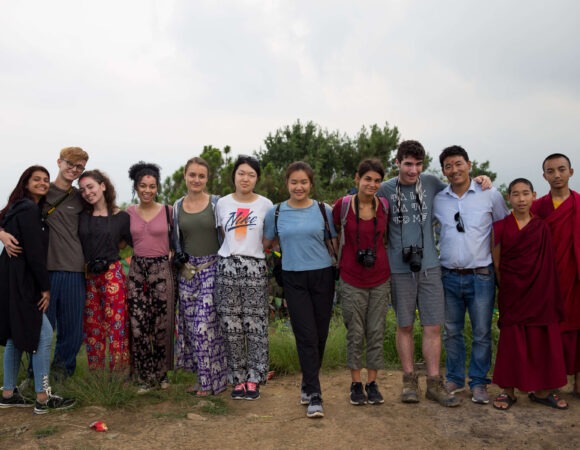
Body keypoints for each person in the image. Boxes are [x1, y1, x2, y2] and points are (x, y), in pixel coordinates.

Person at [377, 140, 491, 407]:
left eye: (418, 164)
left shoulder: (430, 183)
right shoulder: (385, 189)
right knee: (404, 325)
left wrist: (481, 179)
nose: (413, 170)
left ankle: (434, 383)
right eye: (408, 164)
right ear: (397, 163)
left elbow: (458, 188)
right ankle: (408, 382)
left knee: (433, 327)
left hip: (430, 266)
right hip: (399, 269)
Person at [0, 147, 89, 379]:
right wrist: (1, 234)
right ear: (59, 162)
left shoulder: (81, 197)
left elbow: (102, 213)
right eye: (70, 163)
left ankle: (63, 374)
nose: (74, 169)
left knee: (72, 330)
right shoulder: (38, 191)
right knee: (39, 329)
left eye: (79, 167)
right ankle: (36, 377)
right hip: (41, 273)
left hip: (73, 268)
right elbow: (6, 213)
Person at [433, 146, 509, 404]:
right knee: (451, 331)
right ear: (443, 171)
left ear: (469, 164)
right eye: (448, 166)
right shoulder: (439, 198)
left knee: (481, 332)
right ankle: (454, 377)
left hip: (481, 275)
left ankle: (478, 382)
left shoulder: (490, 194)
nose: (454, 170)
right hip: (448, 275)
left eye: (458, 164)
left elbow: (503, 229)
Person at [264, 161, 338, 419]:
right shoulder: (275, 212)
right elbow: (267, 242)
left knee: (320, 335)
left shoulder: (323, 209)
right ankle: (315, 395)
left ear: (310, 184)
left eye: (303, 182)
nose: (299, 187)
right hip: (293, 277)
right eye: (294, 182)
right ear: (287, 184)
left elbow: (333, 244)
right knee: (305, 335)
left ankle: (307, 383)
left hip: (323, 276)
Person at [0, 166, 75, 414]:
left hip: (10, 279)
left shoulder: (18, 208)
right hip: (24, 282)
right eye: (37, 179)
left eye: (45, 180)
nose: (43, 183)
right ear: (26, 182)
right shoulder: (29, 210)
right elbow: (34, 254)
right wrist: (45, 288)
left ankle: (8, 393)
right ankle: (43, 398)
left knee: (14, 336)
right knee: (43, 336)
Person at [492, 178, 568, 410]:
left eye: (526, 193)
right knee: (512, 340)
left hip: (540, 292)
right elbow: (497, 263)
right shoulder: (501, 226)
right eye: (516, 194)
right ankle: (508, 391)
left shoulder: (542, 227)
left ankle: (543, 391)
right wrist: (509, 287)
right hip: (513, 291)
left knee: (541, 338)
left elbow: (547, 262)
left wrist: (541, 289)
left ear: (534, 196)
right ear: (509, 198)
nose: (521, 199)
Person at [332, 159, 391, 407]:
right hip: (351, 277)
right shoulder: (343, 206)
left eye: (377, 180)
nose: (372, 184)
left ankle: (373, 383)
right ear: (357, 178)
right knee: (355, 332)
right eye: (368, 179)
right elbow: (334, 234)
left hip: (380, 276)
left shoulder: (384, 206)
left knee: (376, 331)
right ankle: (356, 383)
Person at [214, 155, 272, 401]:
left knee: (256, 324)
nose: (245, 178)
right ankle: (237, 378)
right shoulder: (222, 204)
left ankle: (255, 377)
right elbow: (221, 235)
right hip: (227, 267)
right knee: (232, 325)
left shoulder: (266, 205)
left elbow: (268, 239)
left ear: (257, 178)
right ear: (234, 176)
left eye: (251, 174)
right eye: (241, 173)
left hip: (255, 267)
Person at [172, 157, 228, 396]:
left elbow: (226, 235)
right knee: (190, 327)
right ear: (185, 175)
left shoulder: (217, 203)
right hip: (187, 273)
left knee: (204, 326)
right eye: (192, 175)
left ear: (207, 179)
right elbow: (177, 240)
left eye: (201, 176)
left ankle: (210, 383)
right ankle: (203, 377)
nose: (196, 180)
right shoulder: (176, 206)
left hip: (212, 268)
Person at [531, 153, 580, 398]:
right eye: (551, 171)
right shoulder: (538, 207)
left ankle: (578, 381)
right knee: (549, 330)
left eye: (561, 169)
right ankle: (549, 381)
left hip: (575, 276)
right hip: (547, 280)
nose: (557, 175)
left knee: (577, 327)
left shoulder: (579, 204)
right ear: (544, 176)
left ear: (571, 171)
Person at [126, 162, 176, 393]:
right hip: (137, 271)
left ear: (157, 187)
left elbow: (178, 239)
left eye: (152, 186)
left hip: (161, 270)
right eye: (142, 186)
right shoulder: (128, 213)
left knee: (162, 324)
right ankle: (144, 376)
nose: (147, 190)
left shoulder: (168, 211)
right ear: (136, 187)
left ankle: (162, 374)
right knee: (138, 324)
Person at [78, 170, 132, 371]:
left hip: (112, 274)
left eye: (90, 186)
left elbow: (134, 243)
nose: (87, 192)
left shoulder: (122, 217)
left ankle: (119, 376)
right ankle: (97, 378)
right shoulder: (81, 216)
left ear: (102, 186)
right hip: (88, 276)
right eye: (82, 190)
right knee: (92, 328)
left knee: (117, 326)